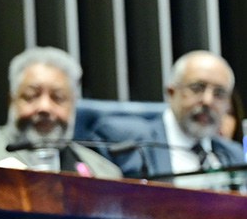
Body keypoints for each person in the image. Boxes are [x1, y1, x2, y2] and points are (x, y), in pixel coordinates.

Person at [91, 50, 242, 178]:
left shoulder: (234, 154)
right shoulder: (123, 141)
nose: (208, 101)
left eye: (219, 93)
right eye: (197, 88)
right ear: (171, 92)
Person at [0, 47, 122, 178]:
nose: (44, 107)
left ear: (73, 104)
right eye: (31, 96)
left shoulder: (104, 173)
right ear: (12, 101)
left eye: (58, 98)